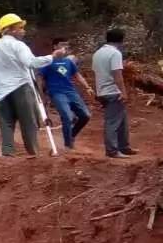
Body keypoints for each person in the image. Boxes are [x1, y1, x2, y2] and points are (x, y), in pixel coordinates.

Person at [0, 13, 66, 157]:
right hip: (21, 87)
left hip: (1, 92)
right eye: (20, 27)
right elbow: (31, 63)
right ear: (11, 29)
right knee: (29, 122)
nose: (24, 30)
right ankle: (33, 153)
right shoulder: (18, 45)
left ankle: (7, 154)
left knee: (6, 123)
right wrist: (53, 57)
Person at [36, 36, 95, 150]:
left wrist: (87, 87)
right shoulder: (48, 61)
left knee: (85, 116)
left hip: (70, 91)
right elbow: (40, 78)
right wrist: (41, 95)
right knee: (67, 116)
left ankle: (71, 134)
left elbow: (77, 75)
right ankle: (68, 145)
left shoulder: (68, 61)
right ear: (55, 47)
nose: (65, 47)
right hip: (56, 93)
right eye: (62, 45)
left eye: (66, 45)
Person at [92, 27, 137, 158]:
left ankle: (124, 147)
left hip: (102, 91)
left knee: (122, 120)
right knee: (112, 122)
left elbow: (97, 73)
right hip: (113, 91)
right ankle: (112, 150)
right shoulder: (115, 53)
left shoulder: (98, 53)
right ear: (121, 40)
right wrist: (123, 92)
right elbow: (117, 74)